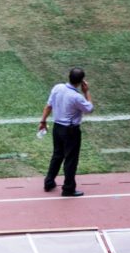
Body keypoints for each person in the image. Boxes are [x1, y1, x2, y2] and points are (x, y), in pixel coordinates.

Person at [39, 68, 94, 197]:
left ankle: (49, 182)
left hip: (57, 128)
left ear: (69, 77)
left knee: (57, 155)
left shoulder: (57, 87)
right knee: (71, 159)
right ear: (81, 82)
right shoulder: (77, 97)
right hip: (70, 131)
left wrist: (42, 121)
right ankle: (68, 188)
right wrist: (87, 92)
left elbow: (48, 106)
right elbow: (90, 108)